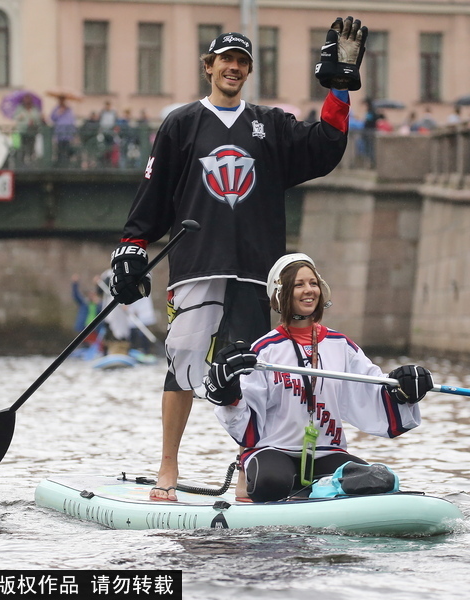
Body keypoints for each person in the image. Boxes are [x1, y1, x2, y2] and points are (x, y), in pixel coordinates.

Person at [109, 18, 367, 501]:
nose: (233, 68)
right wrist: (131, 252)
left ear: (248, 71)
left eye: (242, 62)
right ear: (209, 67)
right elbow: (153, 194)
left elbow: (325, 147)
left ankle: (249, 471)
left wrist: (338, 88)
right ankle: (168, 465)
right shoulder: (181, 124)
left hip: (255, 268)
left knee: (251, 372)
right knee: (183, 362)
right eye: (225, 60)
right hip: (196, 265)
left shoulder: (270, 125)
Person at [203, 254, 434, 502]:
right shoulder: (263, 350)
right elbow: (244, 416)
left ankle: (318, 492)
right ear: (280, 294)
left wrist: (404, 390)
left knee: (380, 480)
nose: (309, 290)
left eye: (313, 283)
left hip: (327, 452)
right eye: (299, 284)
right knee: (271, 483)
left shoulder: (341, 345)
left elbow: (374, 388)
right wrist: (226, 390)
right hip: (273, 451)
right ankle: (312, 494)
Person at [13, 93, 43, 166]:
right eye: (26, 98)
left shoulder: (34, 109)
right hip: (22, 131)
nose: (27, 100)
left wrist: (34, 121)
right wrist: (22, 118)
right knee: (22, 147)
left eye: (28, 98)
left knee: (31, 147)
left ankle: (31, 161)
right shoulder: (20, 108)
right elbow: (16, 118)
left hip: (32, 131)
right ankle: (21, 162)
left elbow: (38, 118)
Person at [51, 97, 77, 167]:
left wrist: (72, 131)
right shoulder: (56, 109)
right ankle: (60, 163)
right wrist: (58, 113)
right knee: (60, 148)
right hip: (60, 133)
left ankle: (67, 163)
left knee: (67, 148)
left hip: (67, 133)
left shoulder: (69, 110)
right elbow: (52, 118)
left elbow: (72, 120)